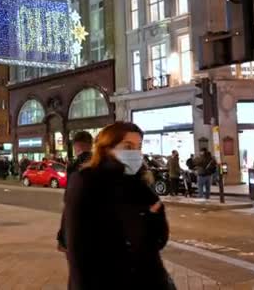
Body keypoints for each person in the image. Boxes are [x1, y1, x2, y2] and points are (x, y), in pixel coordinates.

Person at [64, 122, 171, 289]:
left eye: (139, 147)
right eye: (128, 146)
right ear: (107, 148)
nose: (135, 153)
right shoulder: (87, 181)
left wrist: (154, 217)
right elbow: (78, 252)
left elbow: (158, 242)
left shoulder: (140, 183)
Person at [57, 131, 93, 253]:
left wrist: (62, 237)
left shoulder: (75, 166)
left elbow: (70, 200)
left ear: (76, 146)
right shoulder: (102, 163)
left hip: (79, 220)